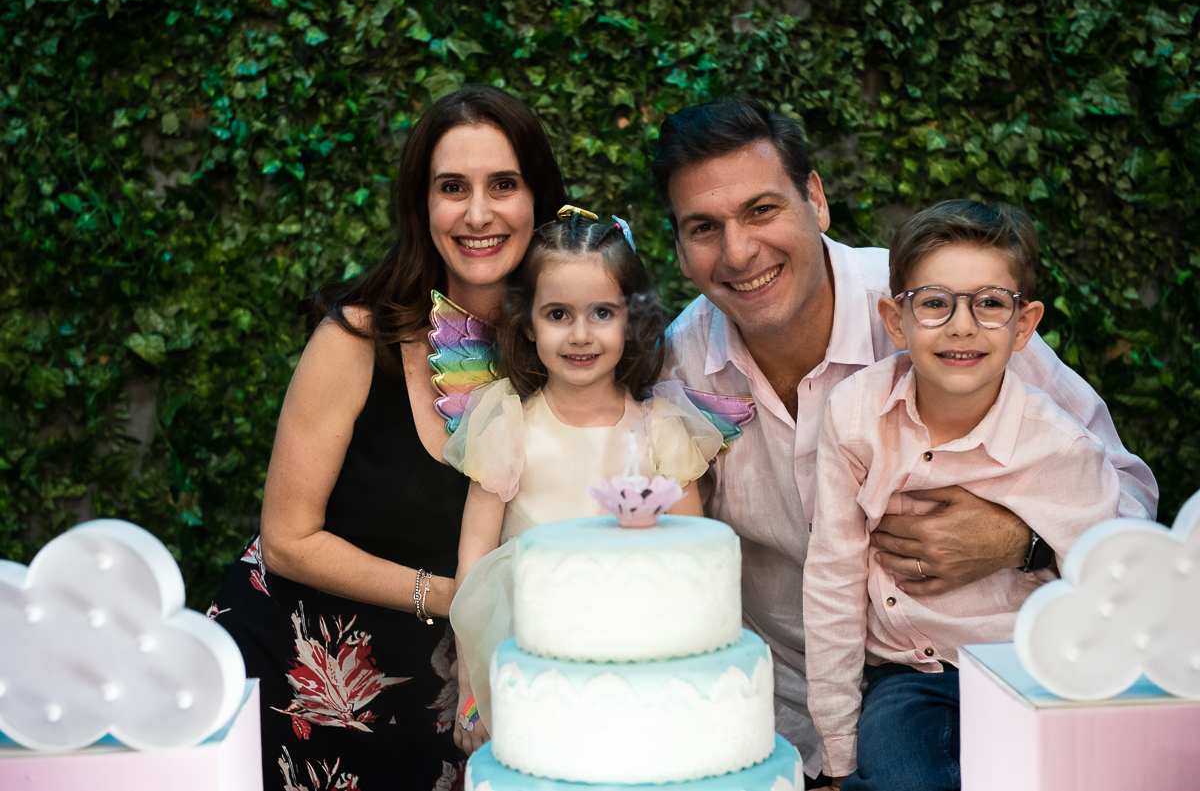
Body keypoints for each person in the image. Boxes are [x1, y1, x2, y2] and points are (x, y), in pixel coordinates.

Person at [652, 98, 1159, 786]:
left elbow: (1130, 511)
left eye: (762, 210)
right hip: (782, 719)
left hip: (1003, 685)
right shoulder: (678, 366)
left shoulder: (949, 315)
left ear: (816, 199)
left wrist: (1024, 541)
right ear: (680, 248)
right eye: (705, 228)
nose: (739, 251)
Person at [208, 85, 565, 790]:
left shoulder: (566, 348)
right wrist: (455, 597)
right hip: (291, 687)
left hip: (441, 715)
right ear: (421, 206)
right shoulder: (356, 338)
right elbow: (287, 539)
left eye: (504, 184)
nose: (478, 212)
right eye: (452, 187)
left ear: (538, 200)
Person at [804, 200, 1146, 790]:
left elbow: (1109, 583)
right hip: (909, 674)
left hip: (1029, 668)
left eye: (989, 303)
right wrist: (836, 757)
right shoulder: (858, 416)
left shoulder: (1060, 447)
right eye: (935, 302)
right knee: (901, 776)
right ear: (895, 319)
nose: (962, 325)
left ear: (1024, 325)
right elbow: (833, 574)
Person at [443, 206, 724, 752]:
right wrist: (469, 684)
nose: (580, 335)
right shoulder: (508, 427)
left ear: (632, 319)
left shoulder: (663, 429)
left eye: (601, 313)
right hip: (529, 662)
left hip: (640, 661)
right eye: (557, 314)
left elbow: (696, 557)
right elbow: (474, 569)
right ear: (526, 321)